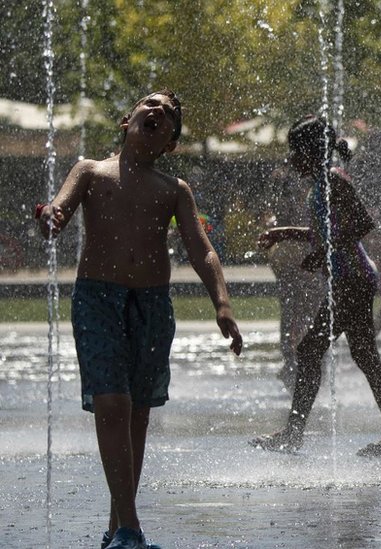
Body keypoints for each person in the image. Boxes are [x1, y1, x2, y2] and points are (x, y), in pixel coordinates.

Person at [36, 89, 244, 549]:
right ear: (128, 119)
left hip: (151, 305)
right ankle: (130, 527)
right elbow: (60, 213)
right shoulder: (90, 171)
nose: (158, 113)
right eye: (150, 105)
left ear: (169, 143)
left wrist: (222, 303)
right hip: (97, 300)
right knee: (111, 404)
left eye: (168, 115)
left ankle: (117, 529)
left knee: (136, 417)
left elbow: (200, 249)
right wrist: (50, 217)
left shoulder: (173, 190)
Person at [250, 115, 381, 456]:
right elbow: (325, 233)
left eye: (296, 151)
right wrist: (285, 233)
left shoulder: (334, 181)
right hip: (353, 279)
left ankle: (293, 435)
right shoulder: (321, 184)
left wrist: (325, 250)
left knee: (310, 350)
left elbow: (365, 223)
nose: (291, 159)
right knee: (365, 357)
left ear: (311, 151)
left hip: (352, 280)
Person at [264, 163, 324, 392]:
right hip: (300, 257)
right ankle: (304, 362)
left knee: (290, 310)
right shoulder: (301, 201)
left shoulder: (280, 206)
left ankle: (291, 362)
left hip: (285, 256)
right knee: (308, 310)